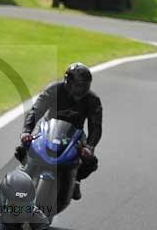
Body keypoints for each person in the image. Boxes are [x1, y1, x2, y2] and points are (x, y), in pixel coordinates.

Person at [17, 63, 102, 201]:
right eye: (77, 85)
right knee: (22, 148)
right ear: (68, 81)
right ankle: (25, 172)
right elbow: (36, 110)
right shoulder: (53, 90)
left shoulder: (93, 100)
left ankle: (76, 180)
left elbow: (96, 125)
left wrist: (90, 146)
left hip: (76, 134)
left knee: (90, 161)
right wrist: (26, 131)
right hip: (47, 129)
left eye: (83, 85)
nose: (80, 89)